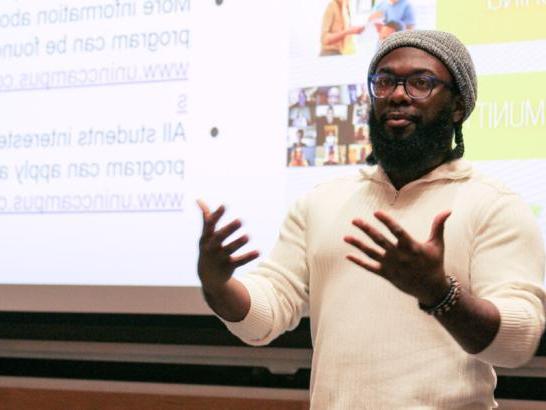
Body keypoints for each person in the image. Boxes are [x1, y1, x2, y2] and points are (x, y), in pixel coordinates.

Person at [197, 30, 546, 408]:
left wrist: (439, 294)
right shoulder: (322, 202)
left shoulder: (492, 204)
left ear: (458, 106)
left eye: (420, 83)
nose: (397, 94)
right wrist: (218, 285)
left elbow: (517, 342)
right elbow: (265, 316)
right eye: (384, 81)